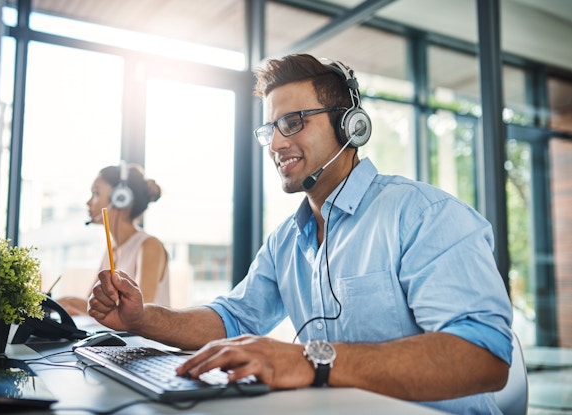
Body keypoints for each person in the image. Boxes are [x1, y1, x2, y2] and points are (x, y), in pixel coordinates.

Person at [87, 54, 513, 414]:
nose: (275, 144)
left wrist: (311, 360)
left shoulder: (424, 215)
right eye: (269, 129)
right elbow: (231, 319)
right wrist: (143, 319)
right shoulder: (287, 240)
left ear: (351, 128)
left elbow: (483, 356)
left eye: (292, 122)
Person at [57, 163, 170, 315]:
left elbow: (141, 311)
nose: (88, 202)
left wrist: (70, 302)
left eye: (96, 193)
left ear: (120, 198)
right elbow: (92, 305)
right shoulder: (112, 249)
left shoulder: (149, 246)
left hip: (144, 339)